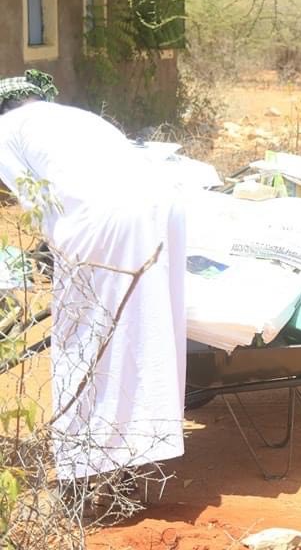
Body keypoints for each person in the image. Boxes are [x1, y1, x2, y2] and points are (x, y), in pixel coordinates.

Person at [0, 71, 187, 483]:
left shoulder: (4, 130)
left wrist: (46, 252)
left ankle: (91, 469)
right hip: (162, 207)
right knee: (147, 329)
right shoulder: (76, 118)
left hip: (107, 220)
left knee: (85, 340)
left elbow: (36, 201)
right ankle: (146, 447)